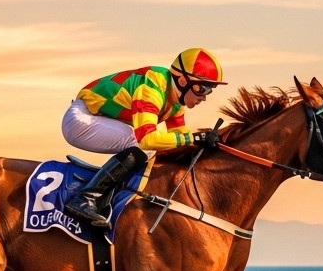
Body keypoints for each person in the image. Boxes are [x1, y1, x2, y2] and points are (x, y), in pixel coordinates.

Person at [60, 47, 226, 226]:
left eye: (210, 90)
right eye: (202, 88)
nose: (204, 97)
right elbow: (147, 139)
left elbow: (180, 139)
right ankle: (85, 199)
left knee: (148, 147)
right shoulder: (152, 87)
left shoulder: (176, 102)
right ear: (183, 80)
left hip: (95, 119)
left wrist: (205, 144)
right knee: (142, 145)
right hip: (80, 120)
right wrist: (194, 138)